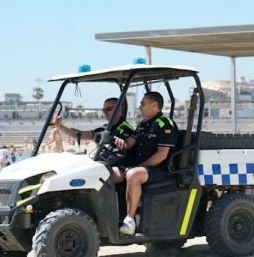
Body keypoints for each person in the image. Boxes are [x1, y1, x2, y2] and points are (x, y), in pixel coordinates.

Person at [113, 92, 178, 235]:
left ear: (154, 105)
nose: (140, 107)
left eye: (143, 103)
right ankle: (114, 216)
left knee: (132, 174)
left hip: (159, 169)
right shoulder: (143, 123)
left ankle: (130, 220)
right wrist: (122, 143)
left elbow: (161, 155)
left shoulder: (165, 124)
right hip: (143, 167)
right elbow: (132, 141)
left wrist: (139, 166)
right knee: (110, 173)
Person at [53, 97, 135, 161]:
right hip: (105, 162)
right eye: (103, 109)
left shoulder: (126, 128)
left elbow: (127, 147)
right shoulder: (105, 128)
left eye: (108, 109)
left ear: (119, 110)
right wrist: (60, 126)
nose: (105, 112)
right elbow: (79, 134)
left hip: (119, 165)